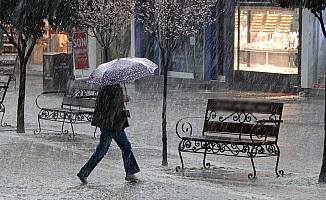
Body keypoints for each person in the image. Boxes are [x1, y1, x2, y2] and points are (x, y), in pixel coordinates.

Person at [77, 84, 140, 184]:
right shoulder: (112, 87)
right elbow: (112, 104)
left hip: (109, 123)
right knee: (123, 147)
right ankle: (130, 173)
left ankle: (84, 172)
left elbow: (105, 104)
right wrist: (123, 98)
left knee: (105, 149)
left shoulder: (106, 86)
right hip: (113, 124)